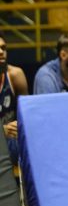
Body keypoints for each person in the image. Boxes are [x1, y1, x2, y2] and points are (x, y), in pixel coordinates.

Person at [0, 32, 29, 166]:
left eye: (3, 48)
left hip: (11, 143)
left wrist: (20, 125)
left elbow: (27, 116)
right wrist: (2, 130)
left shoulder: (15, 75)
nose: (1, 52)